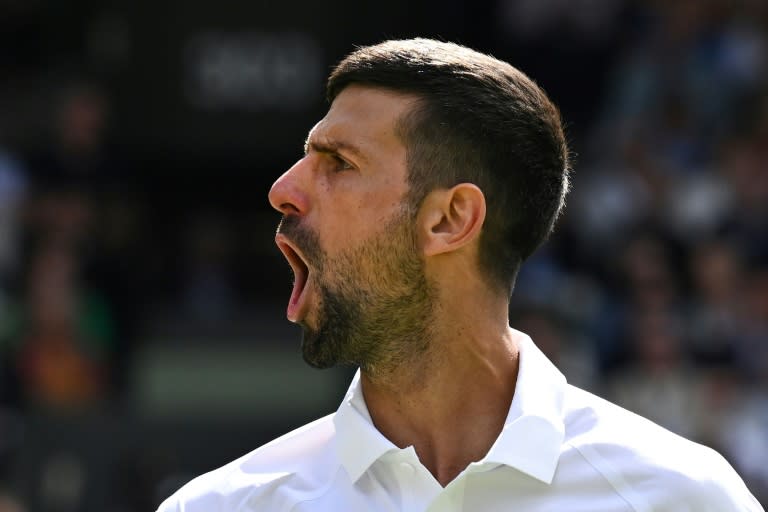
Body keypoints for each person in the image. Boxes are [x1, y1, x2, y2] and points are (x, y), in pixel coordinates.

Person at [157, 39, 763, 511]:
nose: (282, 190)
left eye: (338, 163)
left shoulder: (685, 498)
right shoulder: (219, 505)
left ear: (450, 220)